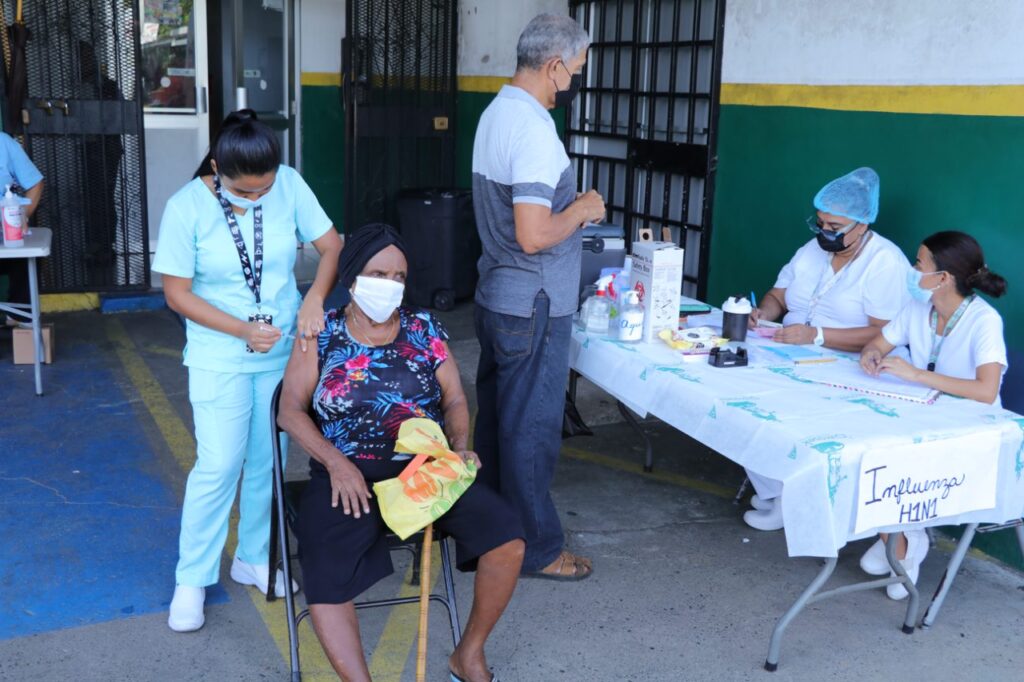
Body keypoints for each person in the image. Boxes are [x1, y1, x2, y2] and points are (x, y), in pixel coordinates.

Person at [277, 224, 525, 682]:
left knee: (507, 537)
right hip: (346, 473)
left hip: (423, 470)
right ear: (352, 278)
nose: (389, 285)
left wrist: (461, 447)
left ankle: (467, 655)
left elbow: (452, 399)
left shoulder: (423, 327)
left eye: (398, 276)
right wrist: (335, 463)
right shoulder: (321, 333)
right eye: (378, 273)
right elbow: (290, 410)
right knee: (325, 566)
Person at [153, 110, 343, 632]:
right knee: (218, 465)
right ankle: (192, 578)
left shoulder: (288, 185)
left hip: (280, 353)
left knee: (269, 461)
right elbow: (176, 294)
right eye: (244, 193)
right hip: (219, 357)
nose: (257, 199)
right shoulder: (186, 206)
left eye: (265, 191)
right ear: (217, 168)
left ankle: (255, 557)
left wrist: (315, 300)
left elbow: (332, 245)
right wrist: (239, 329)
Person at [471, 13, 605, 582]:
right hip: (534, 302)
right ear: (553, 66)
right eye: (572, 71)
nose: (572, 83)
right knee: (531, 429)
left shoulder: (495, 113)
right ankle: (539, 550)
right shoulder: (531, 129)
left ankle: (488, 535)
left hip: (498, 296)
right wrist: (582, 209)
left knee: (499, 423)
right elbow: (532, 234)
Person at [743, 167, 910, 531]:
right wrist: (763, 313)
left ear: (862, 225)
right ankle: (775, 490)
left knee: (786, 416)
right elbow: (778, 295)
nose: (824, 232)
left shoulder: (884, 262)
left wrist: (816, 335)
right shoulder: (810, 251)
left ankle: (792, 500)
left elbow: (886, 334)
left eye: (834, 227)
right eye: (820, 223)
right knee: (740, 399)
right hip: (787, 350)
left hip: (845, 366)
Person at [858, 230, 1008, 599]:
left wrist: (917, 374)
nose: (912, 269)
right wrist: (871, 354)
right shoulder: (917, 308)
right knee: (862, 439)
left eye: (918, 263)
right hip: (926, 416)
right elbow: (880, 341)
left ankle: (905, 541)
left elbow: (986, 391)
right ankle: (901, 535)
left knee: (883, 455)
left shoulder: (983, 321)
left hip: (973, 431)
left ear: (943, 278)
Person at [0, 131, 44, 325]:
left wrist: (23, 215)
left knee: (28, 258)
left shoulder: (3, 143)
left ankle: (20, 317)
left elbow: (35, 182)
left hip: (3, 231)